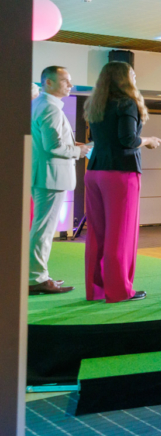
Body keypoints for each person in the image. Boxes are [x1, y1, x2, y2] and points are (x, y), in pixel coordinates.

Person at [83, 61, 161, 303]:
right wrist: (148, 140)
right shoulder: (127, 103)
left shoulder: (95, 105)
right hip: (120, 174)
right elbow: (128, 140)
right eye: (132, 75)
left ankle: (96, 290)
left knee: (97, 233)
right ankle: (119, 291)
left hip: (95, 171)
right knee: (121, 234)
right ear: (124, 79)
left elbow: (98, 138)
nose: (135, 78)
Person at [30, 66, 91, 295]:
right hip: (50, 176)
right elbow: (53, 146)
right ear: (48, 82)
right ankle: (36, 278)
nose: (70, 85)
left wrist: (73, 146)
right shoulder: (49, 107)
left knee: (41, 229)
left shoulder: (40, 104)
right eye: (65, 81)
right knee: (43, 231)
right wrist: (79, 151)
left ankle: (36, 276)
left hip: (44, 174)